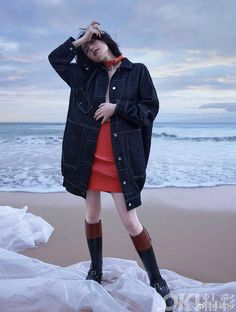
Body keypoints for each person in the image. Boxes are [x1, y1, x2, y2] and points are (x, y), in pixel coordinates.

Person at [48, 21, 174, 311]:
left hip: (121, 158)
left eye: (96, 41)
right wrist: (79, 42)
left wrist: (117, 108)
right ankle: (96, 269)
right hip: (89, 157)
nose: (93, 47)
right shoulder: (84, 77)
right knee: (91, 214)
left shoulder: (138, 71)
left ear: (108, 41)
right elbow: (56, 59)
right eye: (88, 47)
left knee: (130, 221)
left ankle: (156, 278)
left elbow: (150, 110)